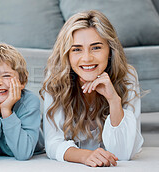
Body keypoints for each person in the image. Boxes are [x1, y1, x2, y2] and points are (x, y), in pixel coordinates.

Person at [40, 10, 144, 167]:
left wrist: (114, 100)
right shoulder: (55, 79)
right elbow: (53, 143)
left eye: (96, 48)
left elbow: (124, 154)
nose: (87, 58)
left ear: (110, 50)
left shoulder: (127, 76)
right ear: (66, 54)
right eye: (76, 49)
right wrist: (84, 156)